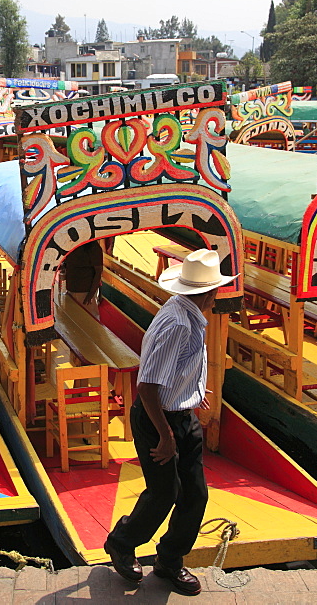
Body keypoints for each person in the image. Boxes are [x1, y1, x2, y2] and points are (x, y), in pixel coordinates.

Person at [104, 249, 238, 596]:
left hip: (181, 413)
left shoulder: (187, 315)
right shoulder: (179, 323)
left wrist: (193, 390)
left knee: (195, 494)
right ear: (211, 292)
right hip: (158, 419)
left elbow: (175, 369)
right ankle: (122, 541)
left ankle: (169, 561)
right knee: (166, 492)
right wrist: (165, 436)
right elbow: (146, 386)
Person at [63, 240, 104, 312]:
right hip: (70, 289)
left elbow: (98, 272)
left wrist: (90, 295)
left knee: (88, 320)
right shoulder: (72, 243)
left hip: (85, 292)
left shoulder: (93, 247)